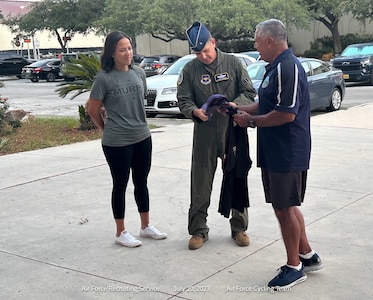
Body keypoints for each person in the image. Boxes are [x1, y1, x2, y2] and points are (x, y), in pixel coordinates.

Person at [230, 19, 323, 288]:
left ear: (269, 40)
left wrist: (249, 122)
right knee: (287, 206)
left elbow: (286, 113)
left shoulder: (288, 67)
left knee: (284, 208)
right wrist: (241, 108)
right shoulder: (275, 68)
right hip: (274, 149)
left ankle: (294, 267)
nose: (255, 46)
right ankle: (307, 255)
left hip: (288, 150)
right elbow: (267, 105)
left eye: (257, 41)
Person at [177, 22, 256, 250]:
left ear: (214, 42)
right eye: (198, 53)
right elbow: (183, 99)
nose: (203, 56)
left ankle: (239, 227)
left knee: (236, 176)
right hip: (205, 132)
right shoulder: (190, 70)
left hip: (233, 130)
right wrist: (194, 111)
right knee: (200, 182)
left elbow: (249, 92)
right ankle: (198, 230)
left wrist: (235, 104)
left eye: (206, 50)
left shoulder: (233, 63)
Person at [87, 31, 167, 248]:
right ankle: (120, 231)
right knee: (120, 185)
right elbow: (92, 109)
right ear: (112, 53)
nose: (127, 53)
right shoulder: (104, 78)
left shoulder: (138, 73)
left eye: (129, 48)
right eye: (122, 49)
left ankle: (145, 226)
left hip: (142, 136)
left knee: (142, 182)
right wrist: (105, 128)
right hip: (117, 141)